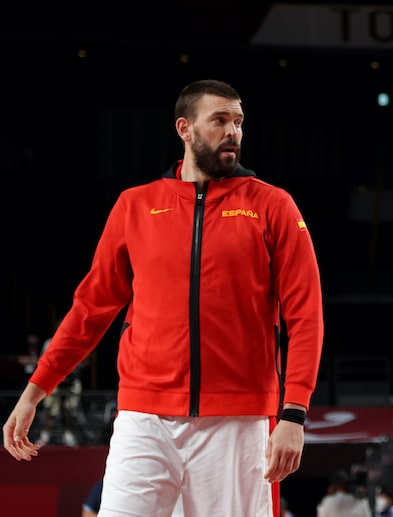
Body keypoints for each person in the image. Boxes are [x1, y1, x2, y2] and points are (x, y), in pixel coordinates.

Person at [3, 79, 325, 517]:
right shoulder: (135, 205)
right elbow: (90, 309)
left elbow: (306, 315)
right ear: (185, 129)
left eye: (238, 121)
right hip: (143, 417)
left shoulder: (273, 205)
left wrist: (294, 414)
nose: (233, 131)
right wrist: (35, 391)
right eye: (219, 120)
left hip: (237, 417)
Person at [36, 333, 89, 447]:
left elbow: (85, 361)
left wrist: (76, 363)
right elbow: (43, 361)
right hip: (54, 380)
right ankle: (45, 436)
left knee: (69, 410)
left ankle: (68, 435)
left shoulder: (79, 341)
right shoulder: (50, 342)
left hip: (72, 380)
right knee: (51, 410)